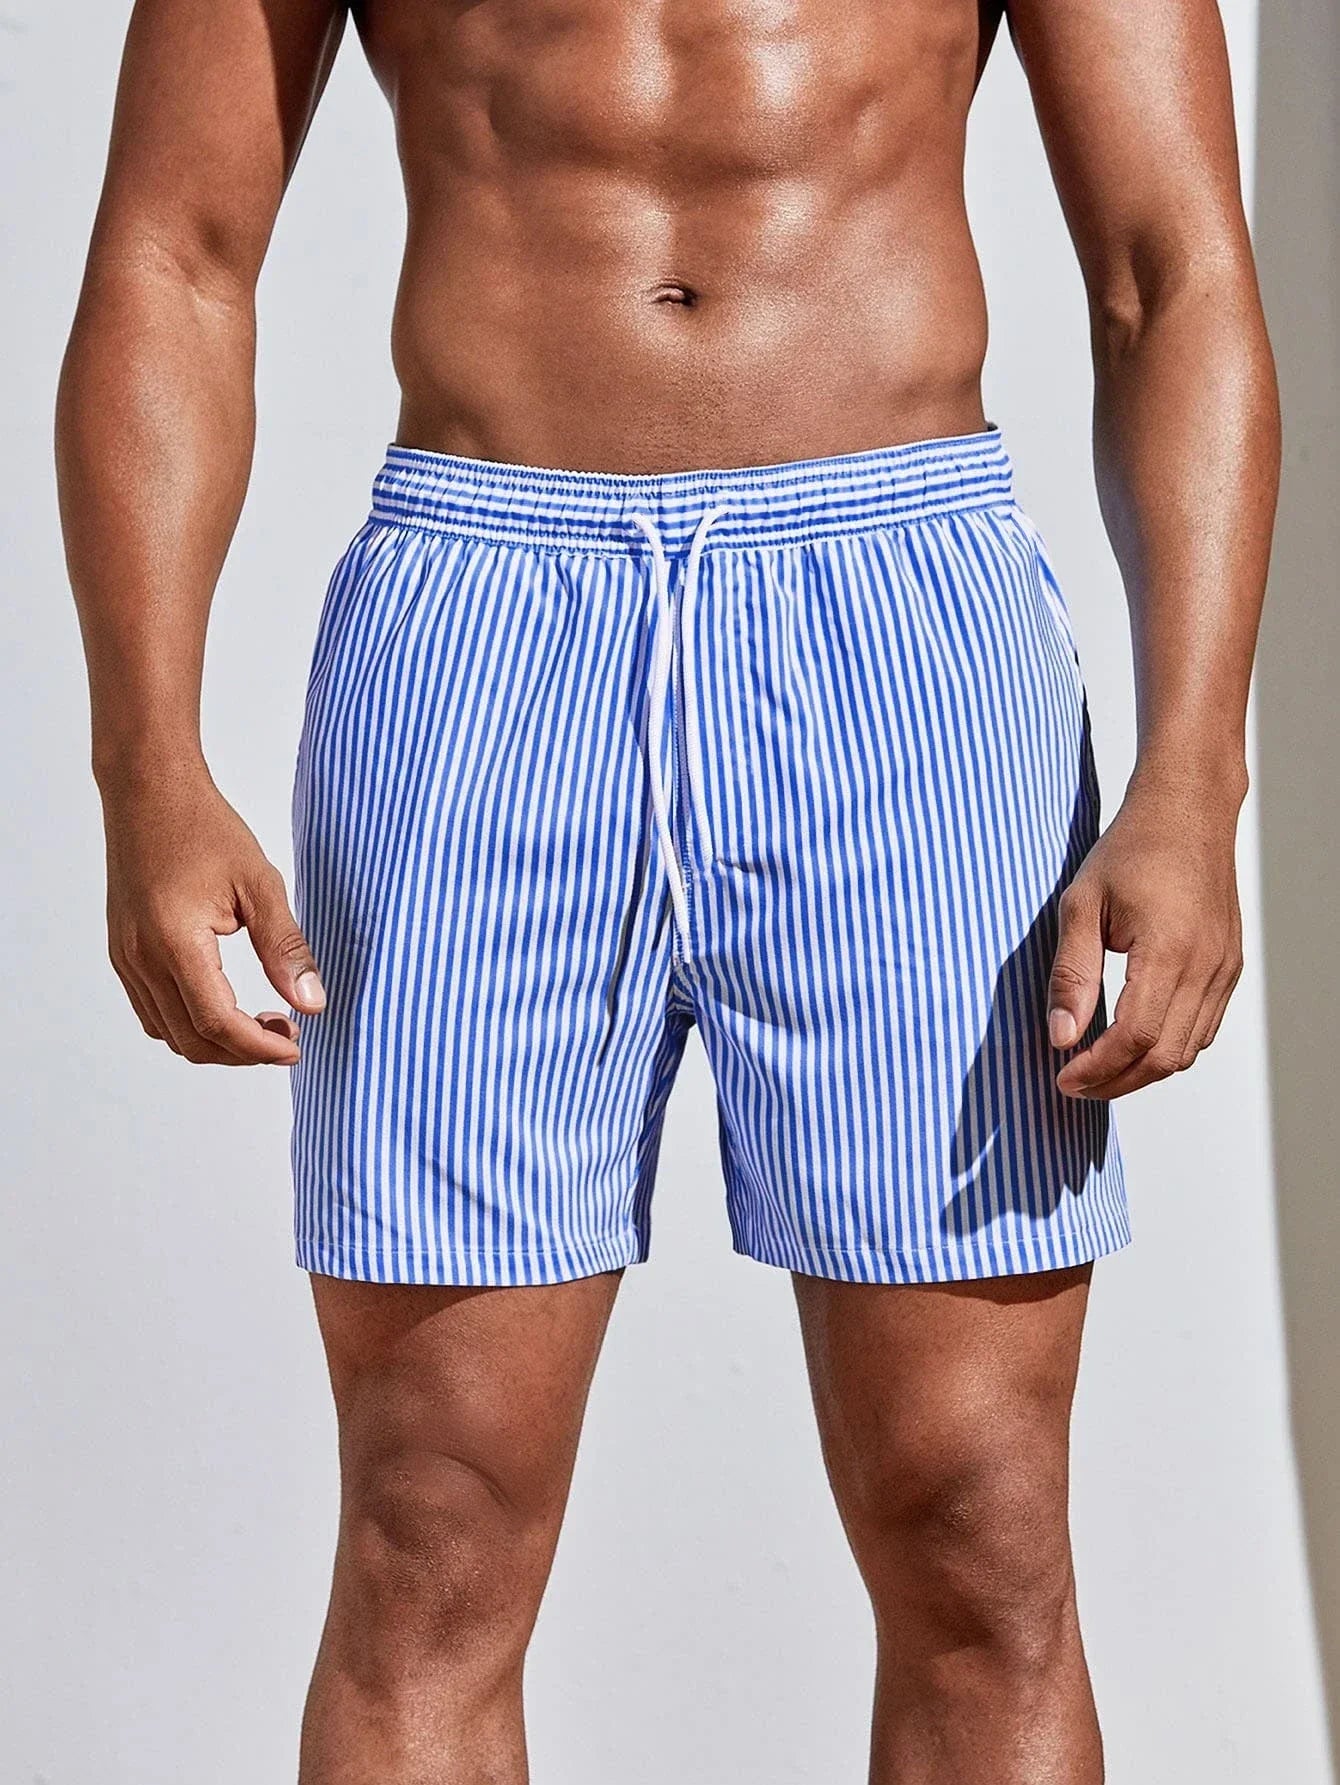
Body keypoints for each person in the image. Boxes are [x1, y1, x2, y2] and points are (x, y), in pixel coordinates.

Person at [55, 0, 1278, 1778]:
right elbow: (175, 253)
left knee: (981, 1526)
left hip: (905, 627)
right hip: (480, 628)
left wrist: (1195, 775)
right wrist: (144, 766)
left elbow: (1172, 272)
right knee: (429, 1522)